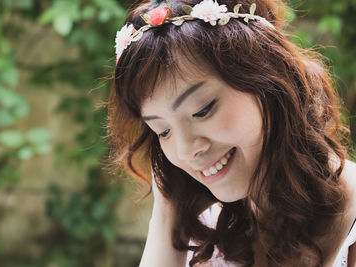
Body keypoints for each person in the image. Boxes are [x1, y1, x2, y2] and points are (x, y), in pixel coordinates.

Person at [107, 0, 356, 266]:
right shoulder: (211, 231)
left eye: (202, 111)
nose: (186, 149)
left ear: (268, 78)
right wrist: (168, 217)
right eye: (163, 130)